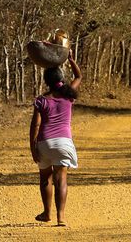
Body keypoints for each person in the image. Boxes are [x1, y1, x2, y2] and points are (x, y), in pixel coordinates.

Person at [30, 55, 80, 227]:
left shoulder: (41, 100)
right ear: (61, 79)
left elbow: (35, 126)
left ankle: (46, 213)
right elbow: (78, 77)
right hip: (64, 143)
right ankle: (61, 217)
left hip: (44, 143)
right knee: (61, 180)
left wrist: (32, 147)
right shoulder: (69, 96)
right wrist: (71, 60)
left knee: (45, 179)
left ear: (46, 82)